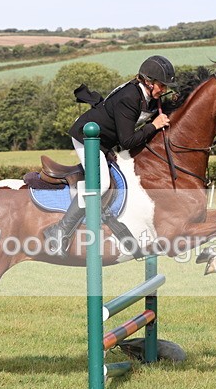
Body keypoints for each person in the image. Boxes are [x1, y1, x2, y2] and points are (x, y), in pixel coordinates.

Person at [44, 55, 177, 257]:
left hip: (104, 140)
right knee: (101, 183)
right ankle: (59, 230)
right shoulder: (129, 98)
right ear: (148, 82)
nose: (164, 90)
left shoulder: (146, 96)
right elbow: (128, 141)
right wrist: (153, 125)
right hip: (86, 137)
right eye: (162, 86)